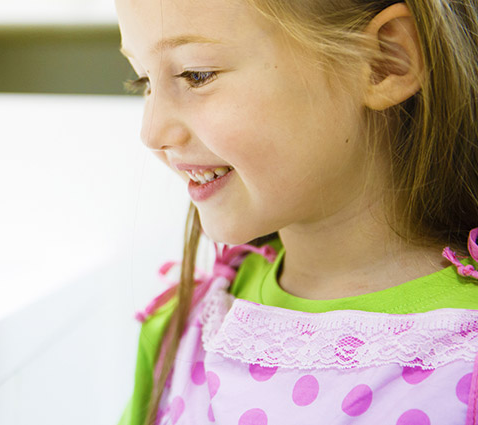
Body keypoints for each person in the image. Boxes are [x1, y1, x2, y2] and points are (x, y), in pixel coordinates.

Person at [115, 0, 478, 423]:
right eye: (143, 80)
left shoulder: (463, 362)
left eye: (197, 75)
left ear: (384, 61)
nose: (151, 132)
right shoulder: (177, 333)